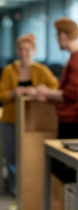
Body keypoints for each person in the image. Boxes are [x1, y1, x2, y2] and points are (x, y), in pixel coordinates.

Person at [0, 34, 59, 195]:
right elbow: (1, 95)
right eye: (20, 49)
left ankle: (30, 192)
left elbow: (55, 87)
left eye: (27, 49)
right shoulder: (8, 70)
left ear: (33, 50)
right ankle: (14, 192)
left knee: (29, 158)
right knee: (12, 158)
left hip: (32, 122)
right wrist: (13, 92)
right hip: (10, 120)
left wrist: (39, 90)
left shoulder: (40, 70)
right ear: (17, 51)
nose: (23, 52)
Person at [36, 17, 78, 139]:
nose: (57, 40)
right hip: (71, 119)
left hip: (73, 120)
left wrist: (46, 92)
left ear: (63, 36)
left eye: (57, 36)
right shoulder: (76, 58)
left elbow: (72, 95)